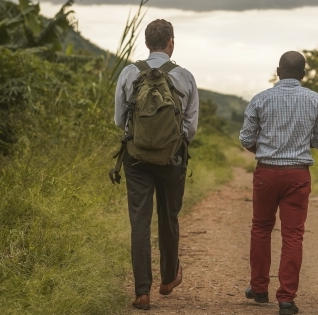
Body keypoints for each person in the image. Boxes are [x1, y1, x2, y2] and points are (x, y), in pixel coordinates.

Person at [113, 19, 199, 310]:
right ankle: (167, 279)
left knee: (139, 222)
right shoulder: (184, 77)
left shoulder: (129, 73)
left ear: (147, 42)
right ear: (171, 43)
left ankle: (141, 292)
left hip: (136, 159)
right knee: (169, 217)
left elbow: (119, 120)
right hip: (172, 159)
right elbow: (191, 127)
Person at [239, 51, 318, 315]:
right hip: (297, 175)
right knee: (293, 235)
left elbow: (246, 139)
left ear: (278, 71)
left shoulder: (260, 99)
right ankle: (286, 299)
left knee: (261, 228)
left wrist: (266, 150)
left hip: (266, 173)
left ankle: (258, 288)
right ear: (303, 75)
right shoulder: (317, 100)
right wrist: (300, 143)